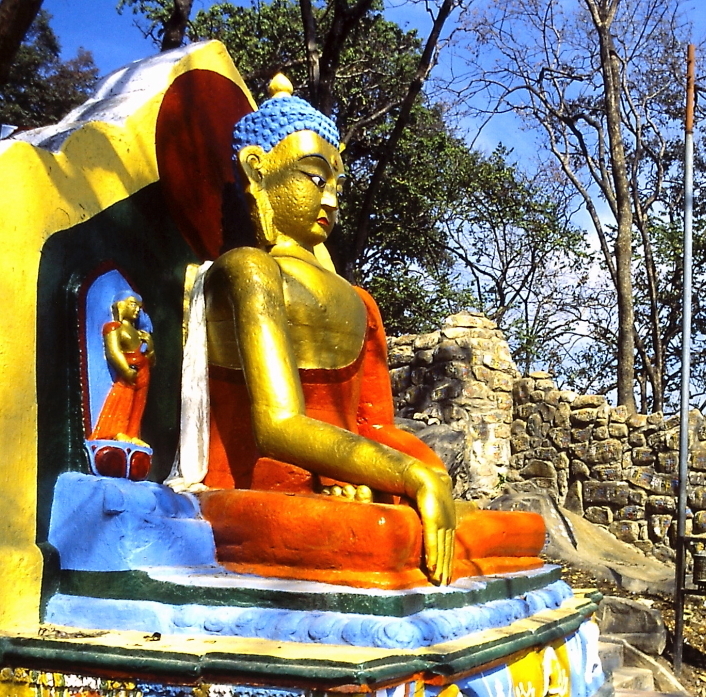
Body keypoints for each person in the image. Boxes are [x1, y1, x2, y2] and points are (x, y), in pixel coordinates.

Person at [198, 74, 543, 588]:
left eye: (337, 185)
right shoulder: (248, 270)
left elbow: (374, 425)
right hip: (257, 490)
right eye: (315, 178)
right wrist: (403, 475)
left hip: (349, 487)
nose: (331, 200)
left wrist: (431, 476)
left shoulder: (360, 302)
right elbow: (277, 425)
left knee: (522, 530)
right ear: (257, 168)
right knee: (388, 537)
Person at [89, 293, 154, 445]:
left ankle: (133, 433)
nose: (136, 309)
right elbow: (114, 352)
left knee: (139, 403)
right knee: (123, 399)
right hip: (129, 371)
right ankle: (116, 431)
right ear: (121, 305)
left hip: (143, 371)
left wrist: (150, 347)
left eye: (139, 307)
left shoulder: (139, 333)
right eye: (132, 304)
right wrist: (125, 370)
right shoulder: (114, 328)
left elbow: (151, 360)